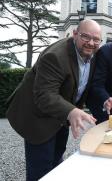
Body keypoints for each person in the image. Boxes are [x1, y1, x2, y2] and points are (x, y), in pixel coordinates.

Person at [6, 19, 101, 181]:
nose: (91, 43)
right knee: (41, 170)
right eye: (86, 37)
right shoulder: (55, 56)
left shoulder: (92, 53)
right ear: (75, 34)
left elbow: (82, 86)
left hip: (62, 115)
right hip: (37, 116)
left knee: (57, 163)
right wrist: (72, 111)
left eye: (96, 39)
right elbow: (44, 95)